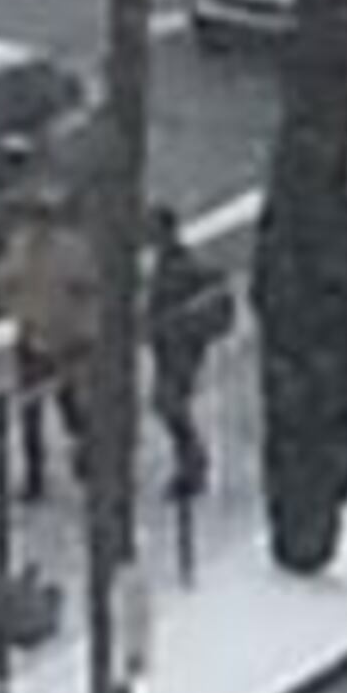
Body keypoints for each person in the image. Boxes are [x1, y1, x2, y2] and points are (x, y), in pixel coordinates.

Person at [0, 163, 99, 507]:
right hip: (32, 337)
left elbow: (88, 290)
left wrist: (82, 329)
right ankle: (36, 476)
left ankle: (88, 456)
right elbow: (5, 282)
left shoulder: (71, 250)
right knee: (31, 414)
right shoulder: (20, 247)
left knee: (71, 406)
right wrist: (18, 311)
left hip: (66, 338)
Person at [146, 204, 231, 512]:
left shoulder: (180, 266)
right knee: (168, 404)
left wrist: (179, 320)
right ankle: (191, 462)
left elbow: (212, 290)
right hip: (171, 344)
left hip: (180, 346)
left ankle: (192, 465)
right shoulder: (168, 264)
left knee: (169, 402)